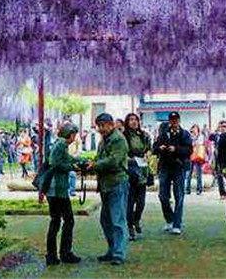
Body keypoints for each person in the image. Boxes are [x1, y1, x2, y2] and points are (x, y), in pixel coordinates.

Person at [87, 112, 129, 266]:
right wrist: (90, 166)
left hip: (116, 183)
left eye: (103, 125)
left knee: (117, 220)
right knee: (106, 220)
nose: (100, 129)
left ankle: (119, 253)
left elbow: (113, 161)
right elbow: (100, 160)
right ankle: (112, 250)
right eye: (98, 126)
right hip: (105, 184)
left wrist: (95, 165)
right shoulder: (103, 141)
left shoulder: (118, 140)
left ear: (111, 124)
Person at [45, 122, 82, 266]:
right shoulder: (61, 144)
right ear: (70, 134)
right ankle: (64, 253)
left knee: (56, 221)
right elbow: (55, 163)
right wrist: (71, 167)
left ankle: (53, 255)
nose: (75, 138)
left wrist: (79, 161)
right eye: (74, 135)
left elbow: (66, 159)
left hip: (54, 189)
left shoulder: (60, 144)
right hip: (57, 189)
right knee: (67, 220)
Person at [153, 111, 192, 235]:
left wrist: (176, 149)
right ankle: (169, 218)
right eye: (172, 119)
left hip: (178, 167)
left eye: (176, 119)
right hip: (165, 166)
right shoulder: (164, 133)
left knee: (179, 195)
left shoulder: (185, 134)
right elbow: (154, 147)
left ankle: (177, 223)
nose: (174, 121)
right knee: (163, 196)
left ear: (179, 120)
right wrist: (160, 148)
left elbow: (189, 150)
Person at [123, 113, 152, 241]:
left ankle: (136, 219)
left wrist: (147, 154)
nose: (134, 122)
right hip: (130, 170)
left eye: (135, 119)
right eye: (131, 120)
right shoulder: (124, 136)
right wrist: (131, 160)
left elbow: (150, 149)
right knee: (130, 201)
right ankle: (130, 227)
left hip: (143, 170)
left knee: (141, 202)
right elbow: (123, 153)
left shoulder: (144, 135)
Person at [187, 124, 206, 195]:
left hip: (197, 156)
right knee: (189, 173)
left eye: (195, 129)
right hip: (191, 156)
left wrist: (195, 138)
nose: (194, 130)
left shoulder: (200, 136)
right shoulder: (190, 136)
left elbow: (200, 143)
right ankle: (187, 189)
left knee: (198, 173)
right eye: (193, 129)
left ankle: (199, 189)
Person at [209, 121, 226, 197]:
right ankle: (222, 193)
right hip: (218, 157)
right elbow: (210, 137)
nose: (222, 128)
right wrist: (216, 129)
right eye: (221, 126)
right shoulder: (217, 136)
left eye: (224, 126)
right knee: (219, 176)